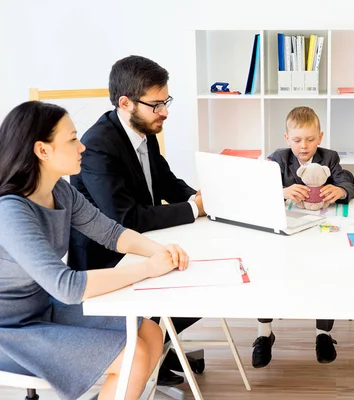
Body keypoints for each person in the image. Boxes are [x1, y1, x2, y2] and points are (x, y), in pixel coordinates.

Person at [0, 101, 189, 400]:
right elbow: (67, 286)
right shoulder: (10, 212)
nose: (82, 147)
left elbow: (111, 233)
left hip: (40, 310)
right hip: (9, 332)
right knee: (134, 354)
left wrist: (160, 251)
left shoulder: (60, 191)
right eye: (73, 139)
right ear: (43, 150)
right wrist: (149, 268)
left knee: (152, 332)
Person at [68, 55, 205, 385]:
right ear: (125, 102)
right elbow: (126, 218)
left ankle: (157, 349)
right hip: (109, 261)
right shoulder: (97, 147)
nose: (165, 112)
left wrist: (203, 200)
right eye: (156, 104)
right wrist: (194, 209)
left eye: (166, 101)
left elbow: (168, 183)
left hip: (142, 246)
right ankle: (150, 356)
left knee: (205, 284)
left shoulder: (146, 131)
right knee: (196, 289)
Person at [251, 106, 354, 368]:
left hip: (320, 232)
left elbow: (349, 182)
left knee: (326, 275)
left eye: (310, 139)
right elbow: (255, 187)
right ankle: (264, 335)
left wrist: (340, 191)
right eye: (297, 140)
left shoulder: (329, 158)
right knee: (267, 272)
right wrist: (282, 191)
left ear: (320, 137)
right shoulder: (278, 158)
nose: (304, 146)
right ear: (287, 139)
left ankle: (324, 334)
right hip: (283, 232)